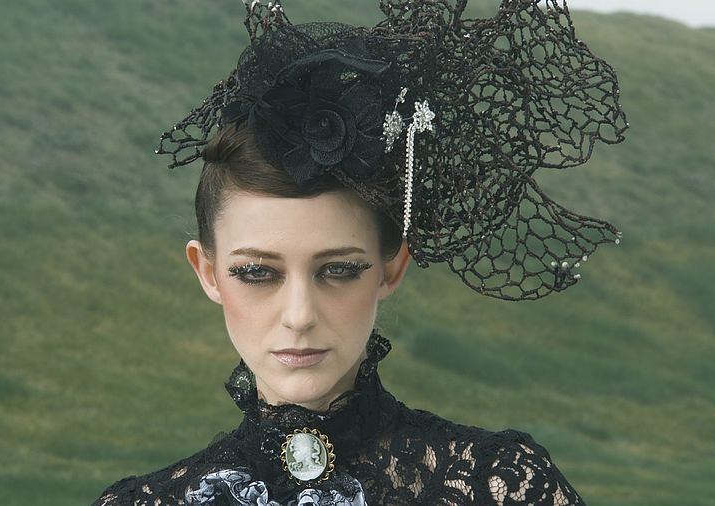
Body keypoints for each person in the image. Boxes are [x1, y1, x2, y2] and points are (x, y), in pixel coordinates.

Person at [93, 0, 627, 504]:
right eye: (256, 272)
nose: (299, 316)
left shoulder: (502, 486)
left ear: (393, 266)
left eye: (339, 270)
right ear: (207, 272)